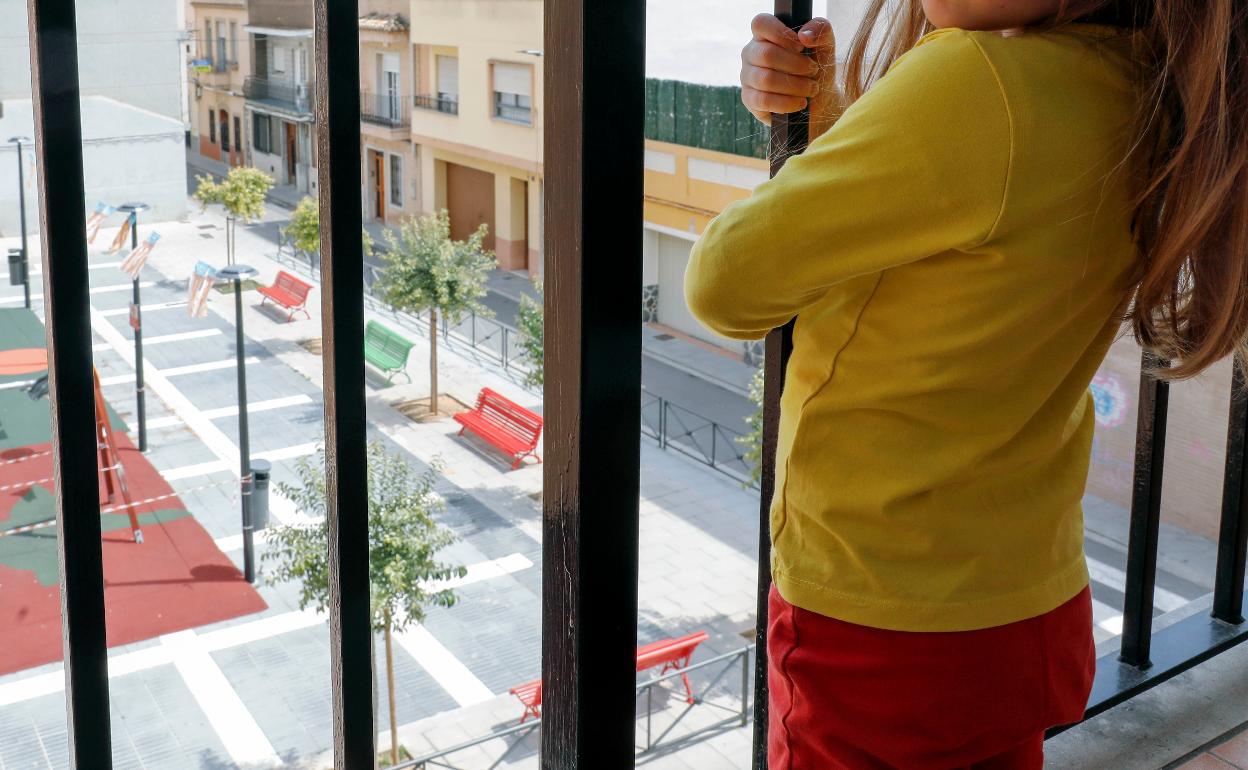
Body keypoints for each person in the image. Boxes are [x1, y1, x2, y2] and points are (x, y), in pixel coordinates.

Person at [685, 1, 1248, 767]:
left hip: (880, 619)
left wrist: (838, 135)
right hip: (1020, 606)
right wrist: (837, 121)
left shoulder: (976, 82)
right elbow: (974, 227)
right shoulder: (1145, 88)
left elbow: (724, 284)